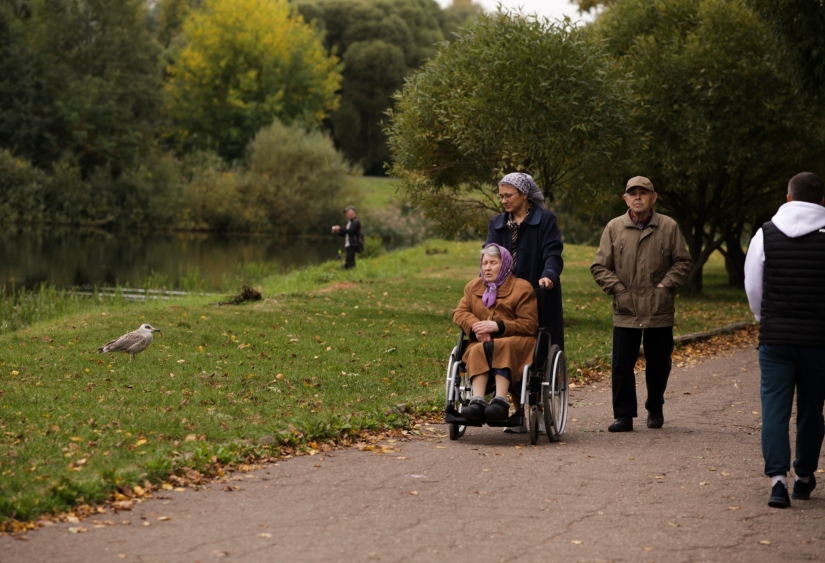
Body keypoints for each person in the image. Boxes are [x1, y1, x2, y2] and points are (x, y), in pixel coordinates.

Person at [744, 172, 825, 509]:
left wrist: (768, 321)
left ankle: (777, 481)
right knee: (811, 410)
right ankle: (803, 476)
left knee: (774, 409)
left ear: (788, 198)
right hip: (819, 341)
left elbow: (753, 286)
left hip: (775, 339)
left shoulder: (765, 234)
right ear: (821, 201)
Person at [591, 176, 692, 433]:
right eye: (632, 193)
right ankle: (623, 415)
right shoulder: (614, 227)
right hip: (626, 307)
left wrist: (664, 285)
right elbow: (600, 266)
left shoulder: (668, 226)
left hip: (659, 307)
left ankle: (655, 405)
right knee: (621, 364)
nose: (638, 197)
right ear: (626, 199)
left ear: (653, 198)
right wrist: (618, 290)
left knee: (659, 362)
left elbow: (682, 262)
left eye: (643, 193)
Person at [452, 244, 538, 422]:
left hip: (517, 341)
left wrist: (498, 326)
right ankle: (477, 401)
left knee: (503, 345)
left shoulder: (522, 288)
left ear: (505, 264)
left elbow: (529, 324)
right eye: (484, 263)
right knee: (476, 349)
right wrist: (477, 326)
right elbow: (459, 313)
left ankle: (500, 401)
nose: (487, 267)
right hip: (482, 341)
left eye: (493, 262)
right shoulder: (473, 287)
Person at [485, 173, 564, 352]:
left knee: (539, 340)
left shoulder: (545, 219)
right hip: (505, 292)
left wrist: (549, 275)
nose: (504, 200)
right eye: (501, 196)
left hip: (537, 290)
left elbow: (553, 253)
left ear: (524, 194)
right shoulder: (497, 223)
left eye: (508, 195)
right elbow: (489, 254)